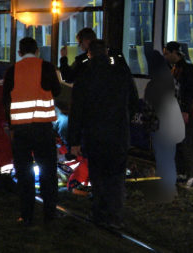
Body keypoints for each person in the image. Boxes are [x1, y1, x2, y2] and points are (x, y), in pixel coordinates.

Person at [68, 39, 138, 229]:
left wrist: (74, 141)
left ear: (89, 54)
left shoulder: (85, 77)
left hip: (95, 135)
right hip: (119, 135)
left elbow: (77, 112)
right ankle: (115, 216)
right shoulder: (122, 73)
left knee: (98, 176)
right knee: (116, 177)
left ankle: (99, 213)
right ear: (107, 53)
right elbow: (134, 101)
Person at [3, 37, 61, 226]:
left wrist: (11, 126)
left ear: (19, 53)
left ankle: (26, 215)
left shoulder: (12, 70)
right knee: (48, 172)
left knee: (24, 173)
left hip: (21, 131)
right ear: (37, 51)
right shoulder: (47, 67)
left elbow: (6, 100)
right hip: (43, 129)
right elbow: (58, 90)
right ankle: (49, 214)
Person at [144, 50, 185, 202]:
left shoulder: (153, 84)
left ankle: (166, 191)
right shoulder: (173, 82)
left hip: (158, 126)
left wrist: (147, 125)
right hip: (172, 125)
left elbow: (148, 108)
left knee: (162, 158)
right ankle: (170, 189)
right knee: (169, 157)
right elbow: (179, 101)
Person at [163, 41, 193, 188]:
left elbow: (189, 91)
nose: (165, 56)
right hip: (176, 110)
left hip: (183, 111)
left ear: (173, 53)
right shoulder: (176, 67)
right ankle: (182, 173)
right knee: (178, 143)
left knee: (185, 143)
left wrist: (184, 110)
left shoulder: (187, 69)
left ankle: (192, 176)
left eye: (166, 53)